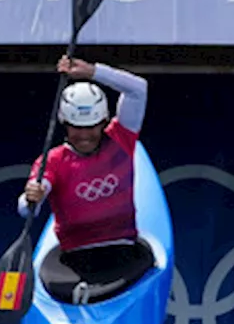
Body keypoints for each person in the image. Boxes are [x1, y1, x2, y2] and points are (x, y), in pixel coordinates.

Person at [19, 55, 152, 303]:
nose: (84, 135)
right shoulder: (53, 161)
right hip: (76, 260)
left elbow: (138, 89)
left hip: (124, 249)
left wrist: (93, 72)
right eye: (76, 127)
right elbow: (28, 209)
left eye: (91, 126)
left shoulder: (122, 138)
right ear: (64, 123)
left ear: (103, 121)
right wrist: (30, 198)